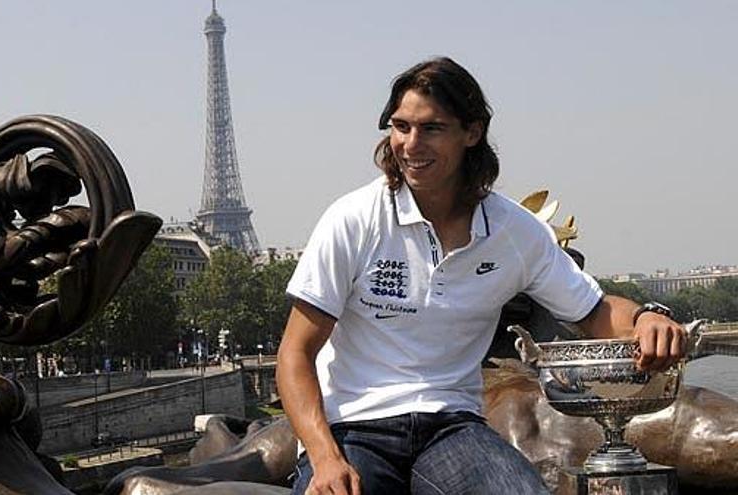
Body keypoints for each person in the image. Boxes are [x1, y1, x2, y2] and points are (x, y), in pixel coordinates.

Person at [275, 57, 686, 495]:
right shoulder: (353, 220)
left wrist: (646, 319)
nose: (410, 144)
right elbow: (294, 354)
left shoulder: (515, 232)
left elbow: (595, 312)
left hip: (452, 428)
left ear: (472, 132)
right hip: (354, 428)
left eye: (431, 128)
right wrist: (323, 458)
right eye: (400, 127)